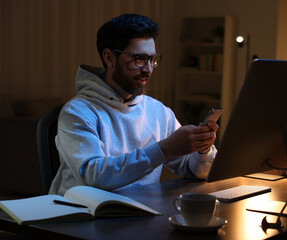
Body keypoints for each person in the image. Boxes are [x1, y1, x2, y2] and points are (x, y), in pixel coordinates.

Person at [49, 13, 218, 196]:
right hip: (81, 216)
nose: (148, 69)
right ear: (109, 58)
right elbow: (93, 177)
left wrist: (202, 149)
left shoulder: (159, 112)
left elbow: (195, 170)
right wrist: (165, 148)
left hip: (138, 213)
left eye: (152, 59)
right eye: (139, 59)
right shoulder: (78, 112)